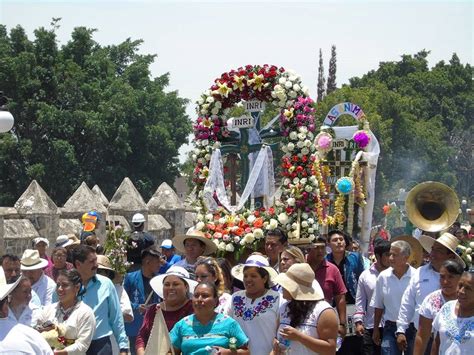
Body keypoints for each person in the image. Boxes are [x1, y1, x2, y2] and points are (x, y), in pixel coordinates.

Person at [396, 232, 465, 353]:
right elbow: (407, 302)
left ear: (450, 256)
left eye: (438, 250)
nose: (432, 253)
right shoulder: (419, 273)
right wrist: (401, 330)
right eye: (433, 249)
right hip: (421, 336)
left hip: (451, 340)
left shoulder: (463, 281)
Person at [71, 245, 129, 355]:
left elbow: (116, 317)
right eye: (91, 262)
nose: (96, 265)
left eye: (96, 261)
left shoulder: (106, 284)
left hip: (100, 346)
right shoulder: (65, 287)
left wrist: (123, 347)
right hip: (72, 345)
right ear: (78, 264)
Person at [272, 263, 338, 354]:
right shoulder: (284, 308)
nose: (282, 287)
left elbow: (330, 350)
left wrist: (299, 337)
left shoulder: (324, 311)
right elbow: (278, 340)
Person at [170, 282, 250, 354]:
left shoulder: (229, 324)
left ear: (216, 301)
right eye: (196, 296)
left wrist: (228, 352)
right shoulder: (181, 325)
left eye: (205, 296)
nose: (199, 299)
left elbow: (246, 352)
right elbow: (171, 352)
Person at [225, 254, 280, 354]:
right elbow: (227, 328)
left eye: (253, 276)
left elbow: (281, 334)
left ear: (264, 278)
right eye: (245, 276)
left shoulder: (277, 299)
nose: (248, 279)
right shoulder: (235, 298)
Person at [136, 265, 197, 354]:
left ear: (186, 287)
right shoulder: (154, 310)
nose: (171, 288)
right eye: (167, 284)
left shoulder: (193, 308)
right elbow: (141, 337)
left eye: (175, 284)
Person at [35, 269, 96, 355]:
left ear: (77, 287)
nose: (60, 289)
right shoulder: (48, 310)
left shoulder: (85, 313)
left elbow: (83, 345)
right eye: (58, 285)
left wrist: (58, 353)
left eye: (65, 285)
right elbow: (35, 330)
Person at [371, 240, 416, 355]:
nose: (390, 258)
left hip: (413, 327)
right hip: (390, 327)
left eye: (394, 255)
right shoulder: (383, 277)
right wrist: (376, 329)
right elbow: (378, 305)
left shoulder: (416, 277)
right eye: (389, 254)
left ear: (406, 257)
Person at [413, 259, 464, 355]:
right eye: (442, 277)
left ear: (461, 278)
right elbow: (422, 336)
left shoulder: (468, 300)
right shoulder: (431, 301)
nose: (445, 281)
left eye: (451, 277)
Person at [0, 266, 53, 354]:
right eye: (25, 292)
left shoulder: (38, 312)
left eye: (30, 291)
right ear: (12, 293)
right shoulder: (5, 314)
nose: (29, 296)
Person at [305, 235, 348, 340]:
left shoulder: (333, 270)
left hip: (324, 319)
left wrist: (342, 324)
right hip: (302, 319)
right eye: (316, 247)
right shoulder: (299, 267)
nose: (320, 251)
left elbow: (340, 297)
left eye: (322, 247)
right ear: (308, 249)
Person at [123, 246, 164, 354]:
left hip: (154, 324)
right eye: (157, 262)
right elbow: (123, 300)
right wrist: (136, 307)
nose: (160, 265)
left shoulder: (159, 279)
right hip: (136, 325)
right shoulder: (130, 278)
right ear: (147, 262)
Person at [354, 238, 391, 355]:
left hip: (391, 326)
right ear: (378, 256)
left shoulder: (396, 275)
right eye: (387, 254)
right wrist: (358, 322)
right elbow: (360, 300)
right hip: (370, 325)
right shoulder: (365, 276)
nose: (390, 258)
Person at [431, 269, 474, 354]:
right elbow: (437, 341)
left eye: (468, 288)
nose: (461, 291)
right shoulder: (447, 308)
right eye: (460, 285)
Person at [96, 255, 134, 322]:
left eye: (99, 271)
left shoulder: (117, 289)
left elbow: (128, 316)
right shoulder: (84, 288)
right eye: (94, 271)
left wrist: (108, 313)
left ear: (107, 273)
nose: (96, 275)